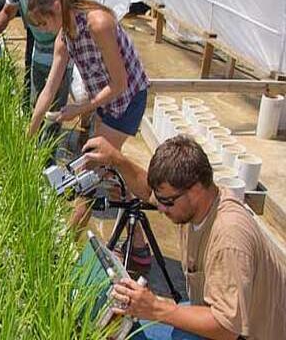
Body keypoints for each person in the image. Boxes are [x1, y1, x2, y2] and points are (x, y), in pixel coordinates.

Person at [82, 135, 286, 340]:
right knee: (125, 322)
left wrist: (155, 307)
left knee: (136, 327)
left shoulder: (229, 238)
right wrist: (116, 159)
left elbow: (226, 327)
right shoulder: (198, 202)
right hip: (211, 309)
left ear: (196, 190)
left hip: (241, 333)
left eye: (167, 201)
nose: (160, 208)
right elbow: (148, 190)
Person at [27, 0, 150, 261]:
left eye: (44, 22)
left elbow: (119, 83)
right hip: (105, 102)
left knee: (89, 172)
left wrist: (79, 109)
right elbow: (48, 90)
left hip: (129, 98)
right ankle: (141, 249)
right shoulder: (64, 37)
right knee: (109, 168)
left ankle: (59, 252)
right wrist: (27, 136)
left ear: (57, 6)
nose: (44, 29)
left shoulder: (98, 23)